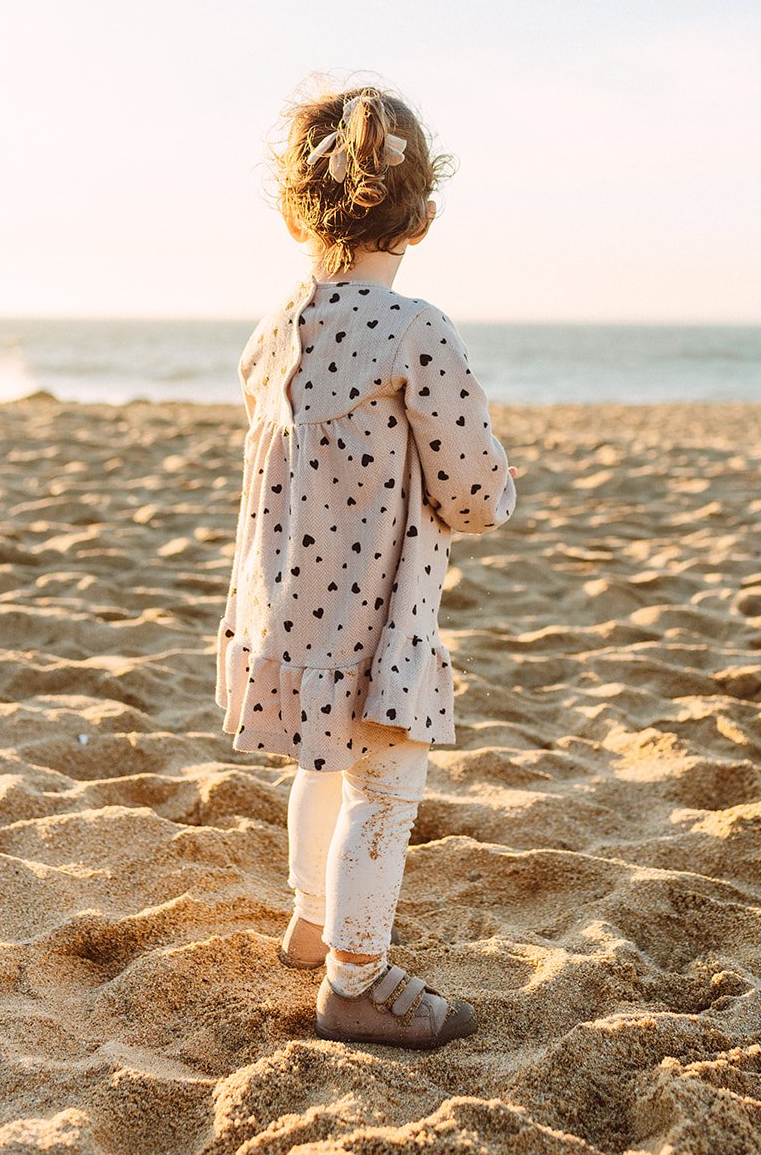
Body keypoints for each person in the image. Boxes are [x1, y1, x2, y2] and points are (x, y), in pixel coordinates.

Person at [215, 76, 518, 1048]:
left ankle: (310, 921)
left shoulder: (271, 334)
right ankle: (353, 975)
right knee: (384, 791)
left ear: (302, 214)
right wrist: (492, 499)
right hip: (380, 617)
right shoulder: (415, 331)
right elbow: (472, 489)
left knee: (322, 759)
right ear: (421, 218)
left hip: (292, 614)